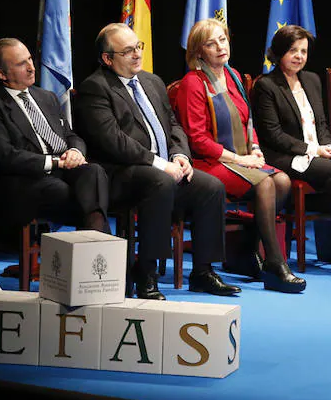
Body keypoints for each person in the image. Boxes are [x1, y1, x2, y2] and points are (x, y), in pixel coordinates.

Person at [73, 23, 240, 300]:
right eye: (127, 51)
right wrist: (161, 164)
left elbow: (173, 125)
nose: (137, 54)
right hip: (121, 173)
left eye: (138, 47)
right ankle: (146, 274)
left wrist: (180, 155)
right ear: (107, 58)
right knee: (160, 181)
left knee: (210, 186)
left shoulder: (152, 82)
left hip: (164, 167)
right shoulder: (95, 88)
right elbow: (114, 141)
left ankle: (203, 272)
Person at [174, 19, 306, 293]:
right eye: (212, 43)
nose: (220, 46)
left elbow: (248, 123)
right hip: (207, 163)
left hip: (240, 159)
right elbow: (197, 140)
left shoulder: (233, 75)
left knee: (282, 181)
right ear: (199, 51)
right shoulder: (192, 83)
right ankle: (274, 263)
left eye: (223, 39)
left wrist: (255, 149)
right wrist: (241, 160)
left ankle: (246, 252)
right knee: (266, 182)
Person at [251, 25, 331, 279]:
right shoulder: (266, 85)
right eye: (292, 51)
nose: (299, 56)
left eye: (303, 51)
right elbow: (273, 135)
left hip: (316, 151)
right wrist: (314, 149)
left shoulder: (311, 80)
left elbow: (320, 122)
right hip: (286, 156)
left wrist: (327, 145)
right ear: (278, 53)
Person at [0, 38, 111, 237]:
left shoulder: (46, 97)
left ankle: (90, 252)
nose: (31, 67)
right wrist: (56, 162)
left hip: (62, 171)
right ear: (1, 74)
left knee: (94, 172)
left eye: (30, 59)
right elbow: (4, 155)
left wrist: (74, 151)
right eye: (21, 64)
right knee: (84, 196)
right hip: (26, 179)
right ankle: (99, 257)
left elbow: (70, 135)